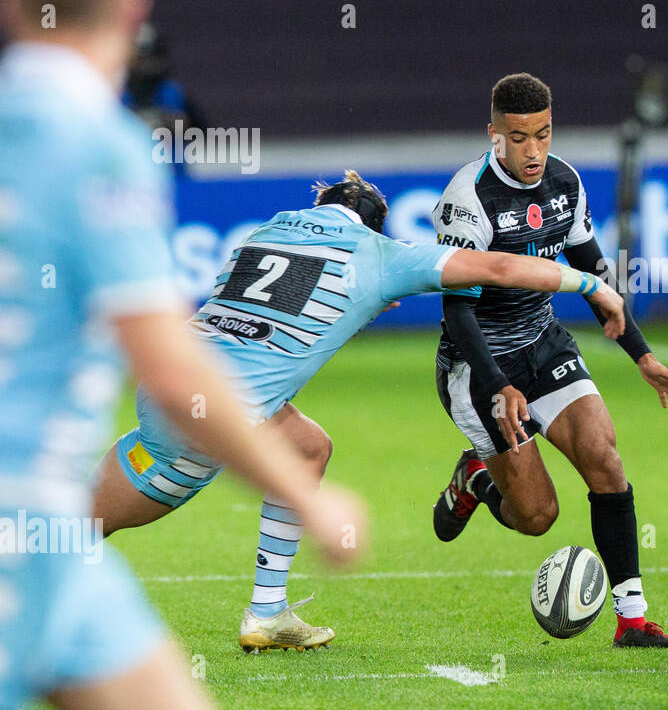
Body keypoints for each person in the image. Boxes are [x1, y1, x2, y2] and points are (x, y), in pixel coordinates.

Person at [0, 0, 365, 710]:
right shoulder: (104, 148)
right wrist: (309, 498)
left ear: (15, 5)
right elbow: (171, 370)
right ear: (133, 8)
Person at [90, 169, 625, 653]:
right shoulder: (379, 254)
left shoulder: (265, 231)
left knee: (306, 447)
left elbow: (274, 301)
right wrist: (590, 283)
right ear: (374, 226)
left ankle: (267, 613)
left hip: (172, 379)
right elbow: (500, 267)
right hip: (216, 419)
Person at [430, 72, 668, 648]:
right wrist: (498, 385)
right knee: (537, 517)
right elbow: (457, 310)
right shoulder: (467, 199)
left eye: (543, 134)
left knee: (605, 458)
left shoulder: (564, 182)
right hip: (478, 366)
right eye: (518, 138)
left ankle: (632, 621)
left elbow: (594, 271)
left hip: (544, 343)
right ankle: (475, 478)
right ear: (494, 134)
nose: (533, 151)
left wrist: (643, 356)